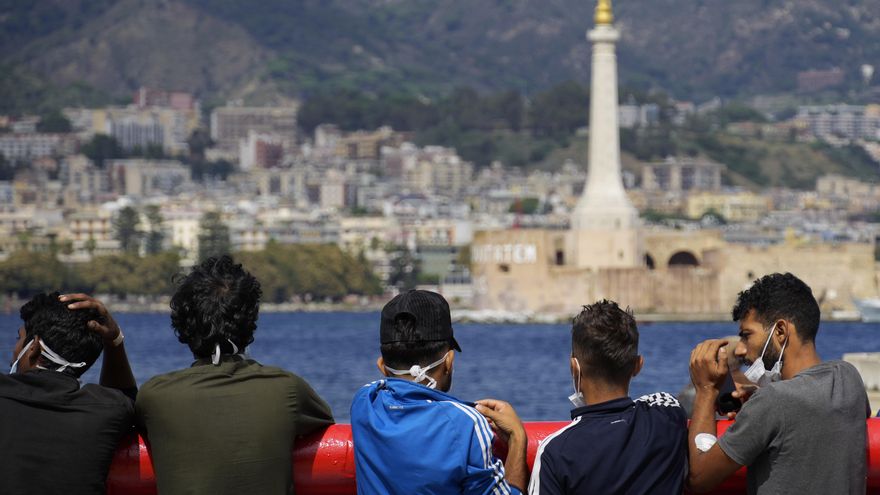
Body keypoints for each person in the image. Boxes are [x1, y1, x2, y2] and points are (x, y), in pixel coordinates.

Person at [135, 255, 334, 495]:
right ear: (250, 322)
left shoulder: (155, 396)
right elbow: (325, 423)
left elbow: (118, 412)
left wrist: (115, 344)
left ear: (184, 326)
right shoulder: (287, 389)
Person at [688, 272, 869, 494]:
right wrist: (758, 403)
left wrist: (706, 390)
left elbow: (699, 477)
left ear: (781, 331)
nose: (741, 349)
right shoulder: (848, 377)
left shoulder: (773, 401)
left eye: (747, 335)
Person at [351, 289, 528, 494]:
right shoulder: (466, 423)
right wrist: (517, 438)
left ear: (382, 366)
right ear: (449, 362)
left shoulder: (364, 402)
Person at [529, 299, 687, 495]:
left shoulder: (556, 452)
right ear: (638, 366)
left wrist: (519, 441)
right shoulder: (667, 415)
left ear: (574, 368)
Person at [0, 292, 136, 495]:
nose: (14, 352)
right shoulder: (106, 410)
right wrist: (114, 339)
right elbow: (125, 395)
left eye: (19, 339)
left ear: (33, 347)